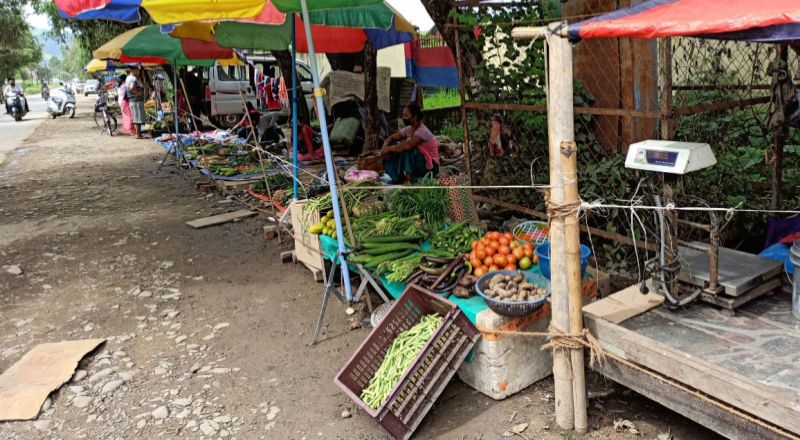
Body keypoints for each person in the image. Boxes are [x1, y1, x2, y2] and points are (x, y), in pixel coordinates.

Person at [381, 104, 440, 183]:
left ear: (415, 117)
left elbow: (407, 146)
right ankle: (400, 178)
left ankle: (409, 179)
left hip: (430, 167)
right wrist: (385, 147)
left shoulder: (422, 132)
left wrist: (388, 149)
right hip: (419, 163)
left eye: (406, 115)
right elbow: (392, 138)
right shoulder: (409, 129)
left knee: (408, 149)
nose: (404, 118)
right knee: (391, 152)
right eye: (403, 115)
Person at [125, 67, 146, 139]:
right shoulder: (133, 78)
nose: (139, 72)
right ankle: (138, 135)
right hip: (136, 100)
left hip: (133, 100)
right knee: (138, 118)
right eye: (138, 70)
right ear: (133, 70)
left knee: (136, 117)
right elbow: (132, 87)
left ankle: (138, 134)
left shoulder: (128, 78)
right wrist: (137, 93)